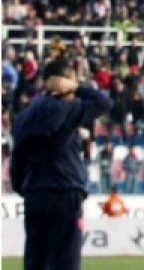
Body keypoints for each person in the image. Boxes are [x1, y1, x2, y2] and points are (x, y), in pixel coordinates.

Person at [10, 58, 113, 270]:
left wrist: (24, 187)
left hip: (34, 193)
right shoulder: (67, 108)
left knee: (35, 262)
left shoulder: (24, 115)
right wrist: (76, 87)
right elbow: (104, 103)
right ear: (64, 82)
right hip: (64, 192)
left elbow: (17, 157)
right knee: (64, 263)